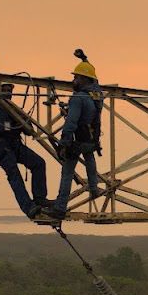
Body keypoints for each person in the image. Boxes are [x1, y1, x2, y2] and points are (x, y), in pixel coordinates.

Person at [0, 83, 48, 219]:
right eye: (5, 89)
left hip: (14, 144)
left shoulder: (14, 109)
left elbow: (29, 130)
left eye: (10, 90)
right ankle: (29, 208)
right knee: (14, 175)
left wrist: (20, 121)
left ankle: (39, 198)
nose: (8, 92)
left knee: (39, 163)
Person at [48, 59, 103, 219]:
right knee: (90, 160)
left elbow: (71, 123)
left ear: (84, 79)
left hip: (78, 141)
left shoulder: (78, 98)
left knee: (67, 172)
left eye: (77, 78)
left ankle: (60, 207)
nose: (74, 81)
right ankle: (94, 189)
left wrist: (63, 144)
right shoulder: (96, 96)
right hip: (91, 140)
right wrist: (85, 59)